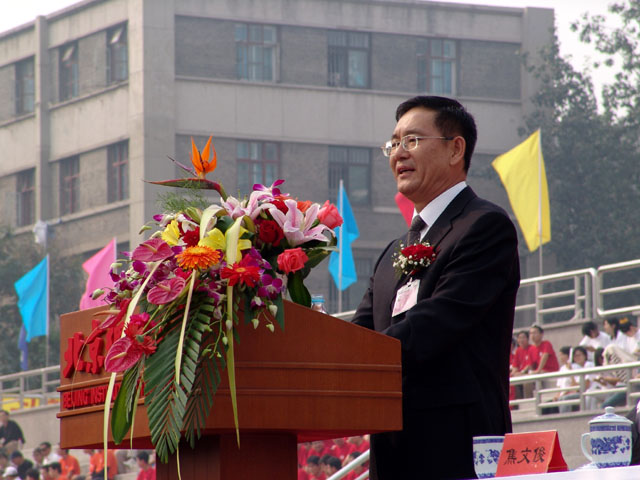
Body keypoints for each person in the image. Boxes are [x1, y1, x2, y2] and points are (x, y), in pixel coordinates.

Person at [351, 95, 520, 479]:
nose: (398, 153)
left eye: (412, 140)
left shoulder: (484, 227)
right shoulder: (391, 252)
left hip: (457, 447)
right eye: (394, 143)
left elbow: (435, 323)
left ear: (455, 149)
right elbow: (360, 332)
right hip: (392, 450)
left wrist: (356, 356)